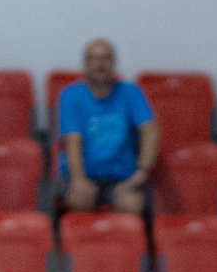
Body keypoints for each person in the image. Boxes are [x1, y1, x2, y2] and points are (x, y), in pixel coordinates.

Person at [55, 41, 160, 217]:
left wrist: (140, 175)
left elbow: (151, 131)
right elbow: (72, 140)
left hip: (122, 178)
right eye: (93, 59)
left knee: (132, 203)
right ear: (85, 64)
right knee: (80, 198)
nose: (100, 64)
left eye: (105, 58)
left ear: (114, 62)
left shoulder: (131, 92)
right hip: (82, 173)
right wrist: (80, 181)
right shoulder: (71, 95)